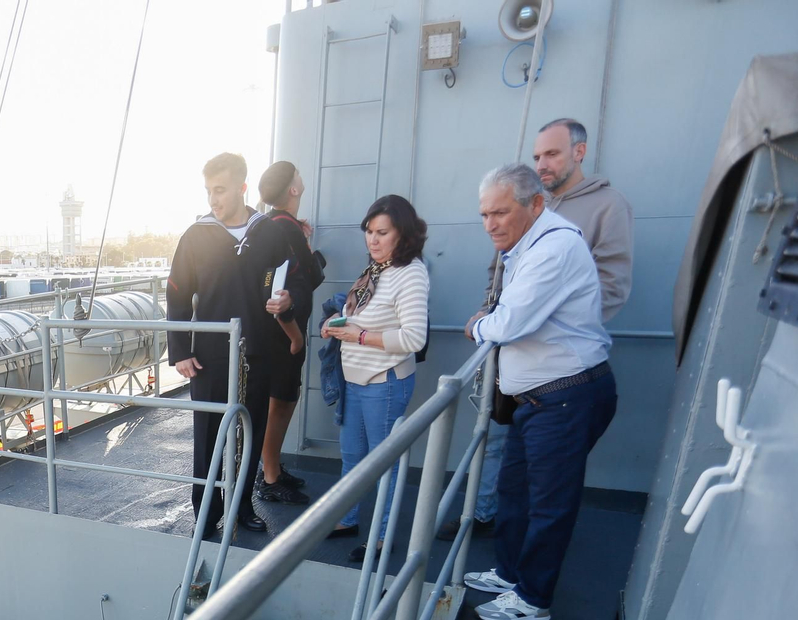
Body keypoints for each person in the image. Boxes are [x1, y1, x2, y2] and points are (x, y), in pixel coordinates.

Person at [440, 117, 634, 540]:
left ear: (579, 152)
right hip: (517, 366)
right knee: (505, 461)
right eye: (537, 156)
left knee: (545, 494)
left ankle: (522, 569)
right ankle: (489, 525)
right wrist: (493, 318)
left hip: (558, 371)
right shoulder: (519, 204)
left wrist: (548, 321)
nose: (542, 163)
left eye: (552, 154)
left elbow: (609, 285)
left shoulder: (602, 209)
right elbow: (500, 277)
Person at [462, 164, 618, 620]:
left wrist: (477, 326)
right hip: (538, 401)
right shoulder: (527, 245)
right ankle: (510, 572)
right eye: (484, 214)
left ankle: (532, 599)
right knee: (515, 492)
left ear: (535, 204)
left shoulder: (554, 247)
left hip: (565, 397)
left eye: (500, 212)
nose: (490, 224)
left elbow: (509, 324)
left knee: (549, 503)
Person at [317, 194, 430, 563]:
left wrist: (360, 336)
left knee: (384, 464)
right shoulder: (376, 269)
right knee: (352, 455)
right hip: (356, 380)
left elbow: (414, 338)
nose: (373, 240)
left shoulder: (410, 273)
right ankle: (347, 519)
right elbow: (361, 314)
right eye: (369, 232)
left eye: (382, 233)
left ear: (403, 234)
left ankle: (381, 538)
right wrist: (336, 324)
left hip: (385, 382)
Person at [166, 152, 274, 533]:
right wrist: (180, 351)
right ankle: (207, 513)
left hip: (257, 352)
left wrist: (289, 298)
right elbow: (177, 294)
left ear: (242, 188)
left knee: (250, 433)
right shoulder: (196, 236)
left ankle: (242, 507)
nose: (213, 199)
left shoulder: (267, 232)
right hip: (209, 356)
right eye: (209, 191)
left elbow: (291, 276)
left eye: (221, 190)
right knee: (208, 437)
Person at [251, 160, 326, 507]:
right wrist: (294, 335)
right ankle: (269, 477)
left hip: (279, 332)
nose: (301, 177)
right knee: (281, 403)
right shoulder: (285, 229)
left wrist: (302, 238)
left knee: (280, 401)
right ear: (294, 189)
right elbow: (284, 286)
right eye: (297, 175)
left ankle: (273, 467)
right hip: (284, 333)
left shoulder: (279, 225)